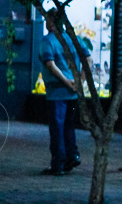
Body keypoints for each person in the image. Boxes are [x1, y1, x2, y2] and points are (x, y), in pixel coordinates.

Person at [39, 13, 92, 176]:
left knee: (57, 127)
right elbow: (88, 59)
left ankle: (58, 163)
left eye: (47, 19)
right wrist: (80, 81)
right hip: (73, 93)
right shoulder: (72, 38)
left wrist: (65, 81)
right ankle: (72, 155)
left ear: (52, 22)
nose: (45, 21)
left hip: (56, 92)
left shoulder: (48, 41)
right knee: (69, 125)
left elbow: (50, 64)